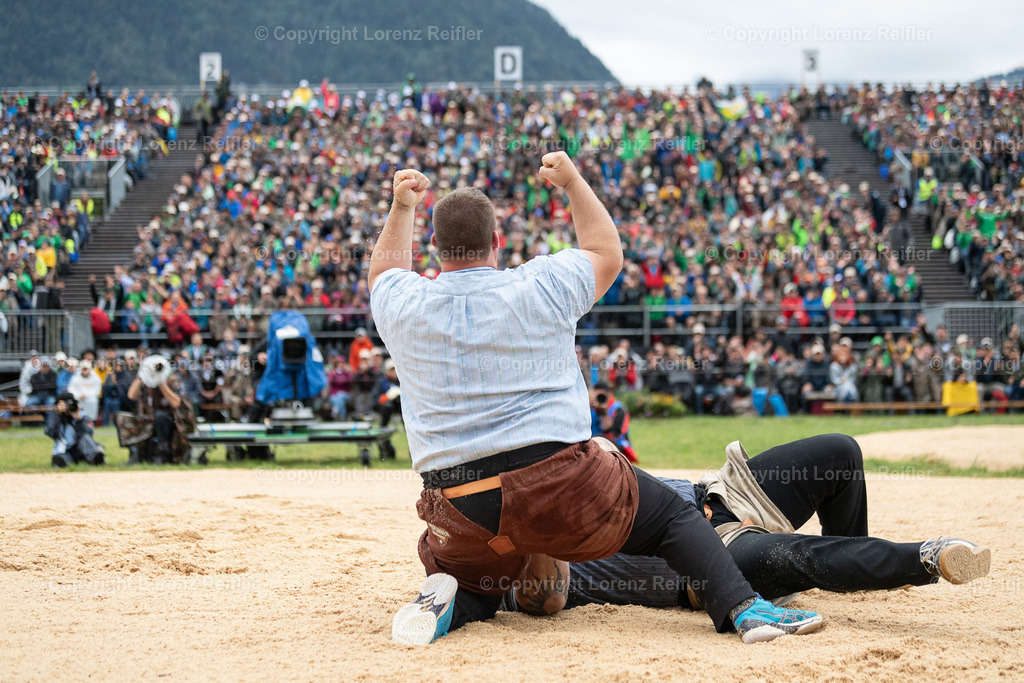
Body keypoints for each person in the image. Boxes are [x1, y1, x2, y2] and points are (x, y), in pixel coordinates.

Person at [370, 157, 822, 647]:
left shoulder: (406, 303)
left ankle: (449, 608)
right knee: (673, 516)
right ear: (497, 243)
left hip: (460, 502)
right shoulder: (540, 282)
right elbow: (605, 249)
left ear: (434, 248)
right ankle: (745, 609)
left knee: (483, 585)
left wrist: (402, 206)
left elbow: (385, 271)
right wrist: (571, 182)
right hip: (562, 483)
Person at [502, 434, 990, 615]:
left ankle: (853, 560)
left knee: (841, 454)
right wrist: (535, 524)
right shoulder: (513, 553)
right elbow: (547, 598)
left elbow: (610, 453)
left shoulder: (560, 453)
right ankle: (928, 557)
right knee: (796, 555)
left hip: (722, 495)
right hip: (706, 567)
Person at [123, 365, 195, 465]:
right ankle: (134, 453)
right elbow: (131, 395)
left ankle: (163, 452)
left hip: (172, 421)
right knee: (121, 418)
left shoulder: (172, 381)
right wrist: (141, 376)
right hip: (148, 419)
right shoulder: (147, 381)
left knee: (160, 416)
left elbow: (176, 403)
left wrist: (161, 382)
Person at [47, 394, 106, 468]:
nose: (68, 407)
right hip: (66, 450)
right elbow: (50, 432)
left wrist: (78, 419)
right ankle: (60, 461)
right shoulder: (56, 417)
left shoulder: (82, 415)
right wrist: (56, 415)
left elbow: (89, 432)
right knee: (62, 458)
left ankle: (96, 458)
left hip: (82, 448)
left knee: (85, 437)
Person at [590, 383, 637, 462]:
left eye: (602, 396)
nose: (600, 399)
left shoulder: (618, 409)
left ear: (609, 395)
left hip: (616, 445)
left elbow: (614, 435)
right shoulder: (589, 408)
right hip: (593, 443)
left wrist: (604, 413)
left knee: (599, 441)